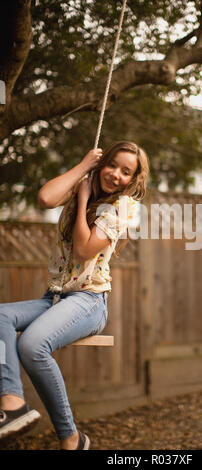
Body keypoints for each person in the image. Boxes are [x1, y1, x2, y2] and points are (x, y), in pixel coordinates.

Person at [0, 141, 149, 450]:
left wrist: (82, 203)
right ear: (101, 163)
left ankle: (71, 437)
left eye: (126, 172)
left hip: (89, 301)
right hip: (54, 297)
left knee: (31, 345)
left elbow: (83, 251)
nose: (116, 175)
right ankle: (12, 401)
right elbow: (45, 198)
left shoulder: (122, 206)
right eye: (112, 166)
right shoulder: (82, 183)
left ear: (133, 179)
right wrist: (83, 167)